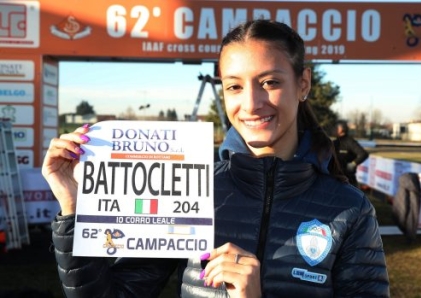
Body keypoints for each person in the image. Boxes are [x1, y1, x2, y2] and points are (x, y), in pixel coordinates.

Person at [42, 20, 390, 297]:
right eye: (235, 87)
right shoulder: (190, 187)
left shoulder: (351, 209)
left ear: (303, 84)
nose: (251, 103)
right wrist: (74, 211)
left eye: (269, 82)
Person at [333, 120, 370, 187]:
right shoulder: (334, 143)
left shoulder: (350, 142)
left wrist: (353, 164)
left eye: (336, 128)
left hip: (348, 180)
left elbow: (363, 154)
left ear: (341, 129)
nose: (334, 130)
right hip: (335, 179)